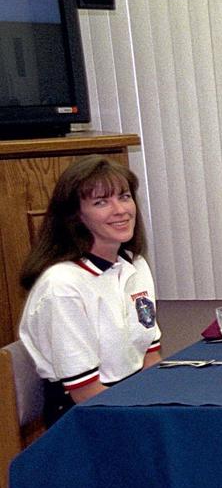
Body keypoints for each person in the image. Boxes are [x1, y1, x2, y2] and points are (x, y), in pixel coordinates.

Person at [18, 155, 162, 404]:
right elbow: (85, 393)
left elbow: (150, 356)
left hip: (132, 398)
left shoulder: (135, 264)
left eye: (124, 197)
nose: (120, 210)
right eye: (101, 202)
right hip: (88, 412)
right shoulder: (62, 285)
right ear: (76, 216)